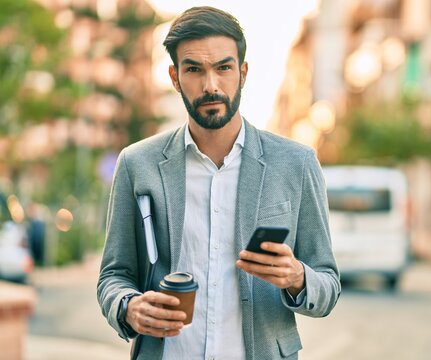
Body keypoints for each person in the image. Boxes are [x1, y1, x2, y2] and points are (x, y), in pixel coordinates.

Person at [97, 6, 340, 360]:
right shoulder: (137, 164)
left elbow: (329, 284)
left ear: (242, 73)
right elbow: (113, 276)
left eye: (223, 68)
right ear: (175, 77)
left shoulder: (296, 164)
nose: (210, 85)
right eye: (194, 69)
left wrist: (297, 276)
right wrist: (128, 306)